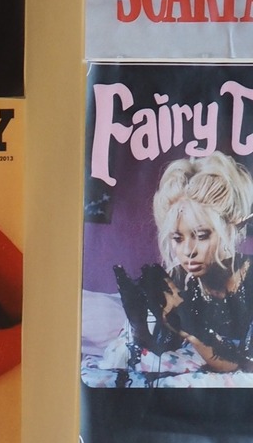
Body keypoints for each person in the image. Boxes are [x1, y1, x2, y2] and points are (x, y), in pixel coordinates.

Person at [99, 152, 253, 383]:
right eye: (177, 238)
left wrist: (190, 326)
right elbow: (157, 352)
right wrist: (139, 324)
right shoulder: (177, 279)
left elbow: (246, 367)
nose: (188, 251)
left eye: (202, 235)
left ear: (231, 230)